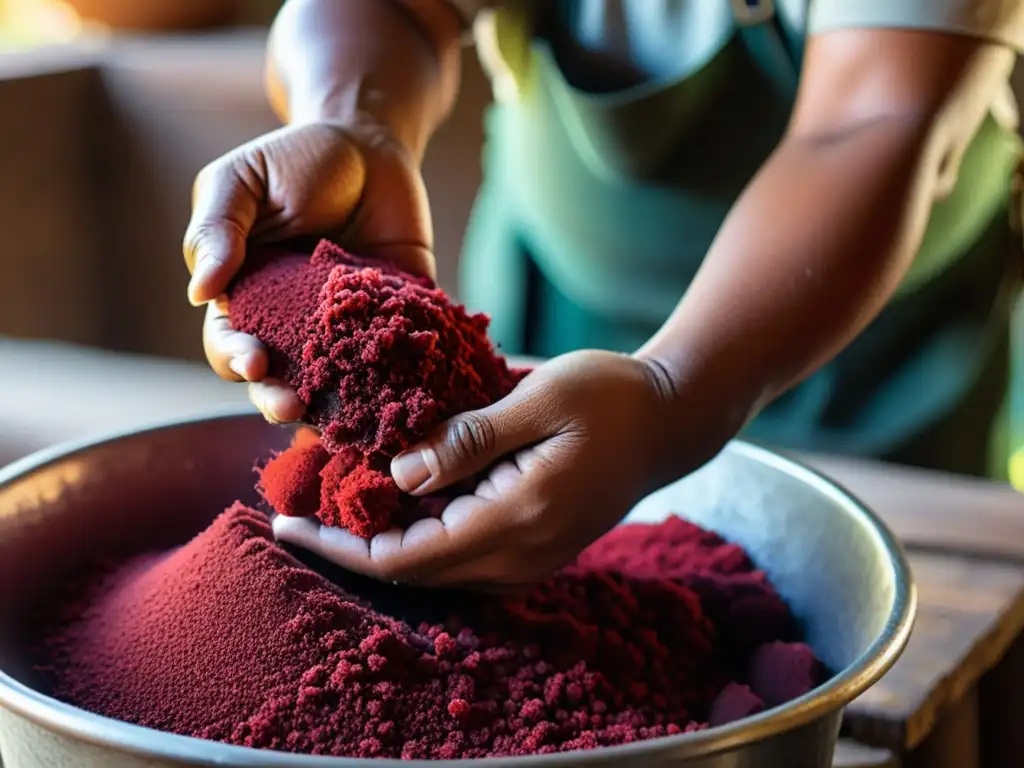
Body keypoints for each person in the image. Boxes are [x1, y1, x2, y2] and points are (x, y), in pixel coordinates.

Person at [183, 0, 1024, 589]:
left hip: (865, 359)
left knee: (839, 586)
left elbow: (874, 117)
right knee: (500, 517)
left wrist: (674, 391)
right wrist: (351, 120)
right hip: (555, 297)